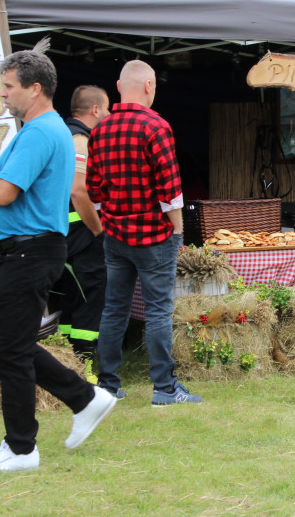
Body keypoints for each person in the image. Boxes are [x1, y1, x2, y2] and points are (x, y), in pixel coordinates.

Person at [0, 51, 116, 479]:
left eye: (8, 85)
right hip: (31, 250)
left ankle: (22, 447)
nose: (2, 93)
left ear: (35, 88)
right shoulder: (47, 129)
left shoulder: (37, 132)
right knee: (10, 345)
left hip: (28, 252)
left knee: (9, 348)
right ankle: (84, 399)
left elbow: (7, 191)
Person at [87, 60, 201, 407]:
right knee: (157, 312)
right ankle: (164, 389)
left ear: (119, 87)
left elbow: (93, 191)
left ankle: (107, 385)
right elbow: (170, 189)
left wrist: (109, 219)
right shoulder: (156, 127)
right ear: (149, 86)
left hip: (116, 234)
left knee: (114, 310)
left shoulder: (100, 130)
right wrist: (178, 230)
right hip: (154, 236)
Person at [51, 85, 109, 367]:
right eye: (106, 108)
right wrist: (98, 231)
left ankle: (65, 362)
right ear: (95, 109)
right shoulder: (80, 140)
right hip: (82, 237)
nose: (108, 114)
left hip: (62, 236)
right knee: (89, 298)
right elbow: (78, 191)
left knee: (69, 299)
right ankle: (84, 365)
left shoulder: (59, 135)